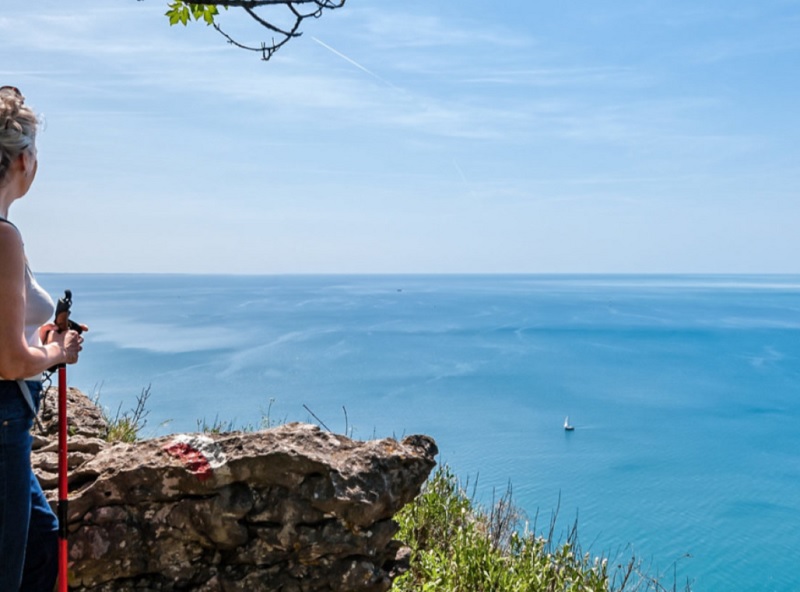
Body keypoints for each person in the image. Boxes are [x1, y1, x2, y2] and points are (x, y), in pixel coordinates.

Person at [0, 85, 85, 591]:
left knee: (39, 545)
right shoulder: (4, 237)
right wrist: (58, 351)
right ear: (24, 159)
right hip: (4, 421)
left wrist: (38, 335)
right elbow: (10, 361)